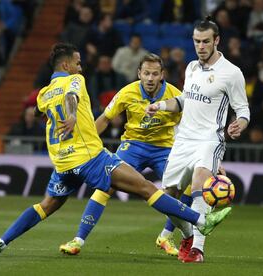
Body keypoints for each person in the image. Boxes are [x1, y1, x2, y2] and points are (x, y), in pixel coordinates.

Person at [0, 43, 230, 257]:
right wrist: (70, 116)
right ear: (67, 65)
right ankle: (201, 221)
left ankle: (2, 241)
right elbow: (72, 97)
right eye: (78, 63)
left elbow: (39, 110)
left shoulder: (44, 94)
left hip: (63, 163)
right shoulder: (75, 80)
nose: (81, 67)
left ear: (161, 74)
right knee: (146, 188)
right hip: (91, 157)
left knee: (46, 205)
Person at [59, 53, 191, 256]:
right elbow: (105, 118)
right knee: (105, 187)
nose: (150, 78)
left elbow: (190, 124)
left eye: (154, 74)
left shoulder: (175, 95)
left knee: (181, 188)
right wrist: (85, 145)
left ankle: (165, 235)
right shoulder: (127, 92)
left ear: (162, 75)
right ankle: (78, 240)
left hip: (164, 148)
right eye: (146, 73)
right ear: (139, 73)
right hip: (133, 147)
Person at [146, 17, 250, 263]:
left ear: (216, 41)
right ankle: (187, 234)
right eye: (196, 41)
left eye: (205, 41)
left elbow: (243, 109)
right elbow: (184, 100)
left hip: (209, 140)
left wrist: (239, 125)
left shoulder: (231, 73)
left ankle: (197, 249)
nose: (200, 46)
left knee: (199, 186)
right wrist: (160, 105)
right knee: (165, 198)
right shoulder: (191, 67)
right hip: (183, 139)